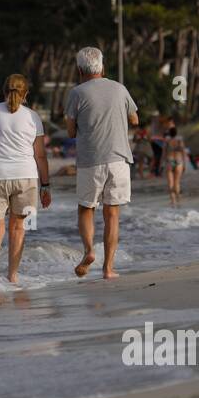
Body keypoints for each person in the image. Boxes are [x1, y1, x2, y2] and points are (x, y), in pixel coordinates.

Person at [64, 46, 137, 279]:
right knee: (112, 213)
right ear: (102, 67)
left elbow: (70, 132)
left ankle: (89, 251)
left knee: (86, 208)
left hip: (90, 160)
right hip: (119, 159)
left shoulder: (77, 93)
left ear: (79, 70)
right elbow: (135, 119)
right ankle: (108, 269)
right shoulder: (120, 88)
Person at [0, 74, 50, 282]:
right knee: (19, 226)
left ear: (4, 90)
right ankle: (13, 275)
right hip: (26, 176)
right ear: (26, 94)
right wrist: (46, 185)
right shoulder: (33, 117)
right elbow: (40, 155)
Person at [163, 126, 187, 207]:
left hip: (169, 161)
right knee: (177, 183)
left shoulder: (167, 141)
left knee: (170, 183)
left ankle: (173, 201)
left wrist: (161, 164)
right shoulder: (179, 141)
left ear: (169, 133)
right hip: (179, 161)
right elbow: (183, 152)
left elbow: (164, 153)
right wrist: (185, 164)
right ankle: (178, 200)